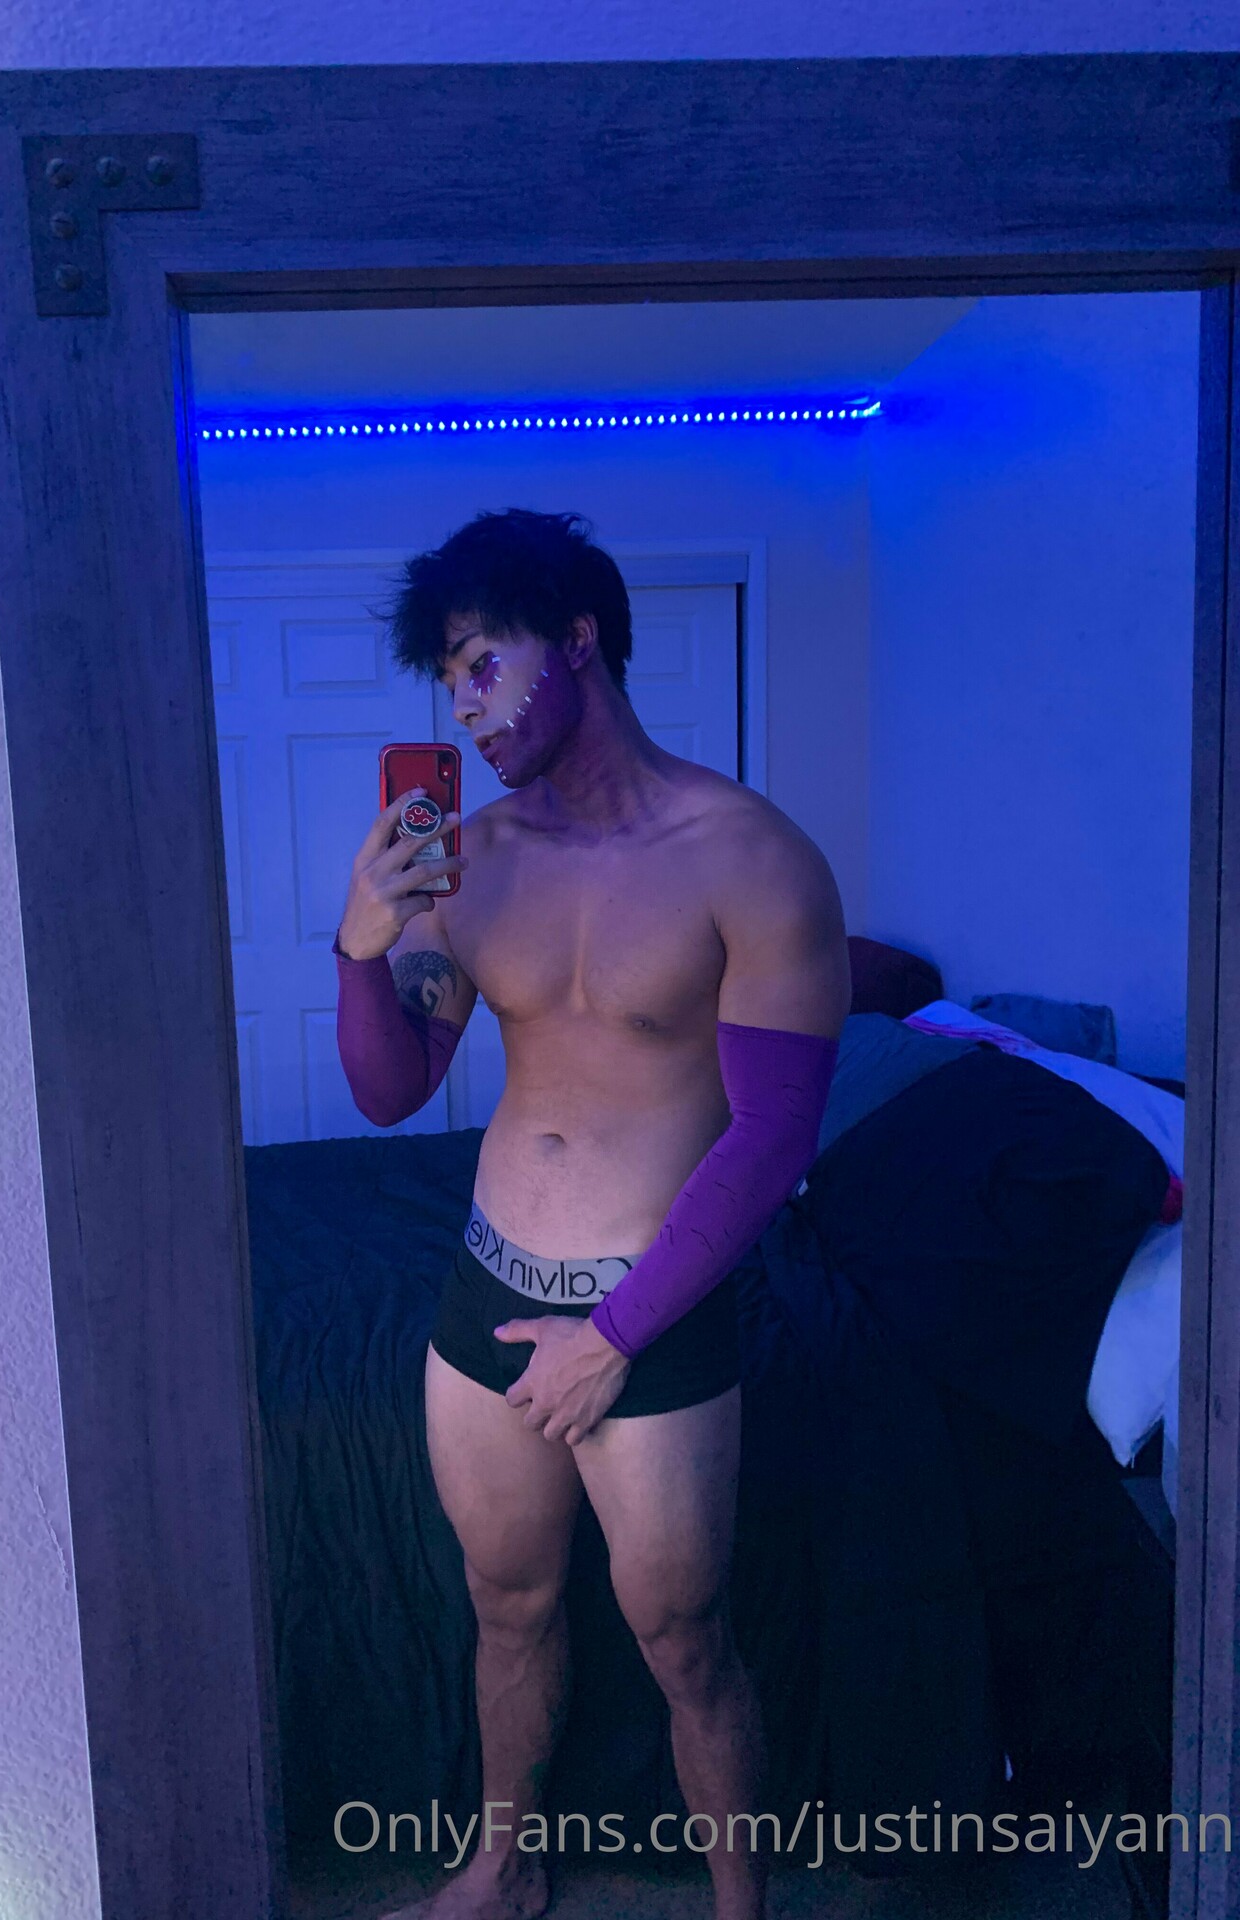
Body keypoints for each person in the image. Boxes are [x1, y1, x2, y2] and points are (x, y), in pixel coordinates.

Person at [334, 509, 850, 1920]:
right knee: (506, 1605)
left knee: (685, 1638)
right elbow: (390, 1090)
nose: (463, 703)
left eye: (481, 662)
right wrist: (359, 950)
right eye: (447, 677)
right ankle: (503, 1870)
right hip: (488, 1288)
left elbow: (774, 1134)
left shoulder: (751, 858)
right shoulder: (468, 860)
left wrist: (614, 1337)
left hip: (652, 1310)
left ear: (578, 641)